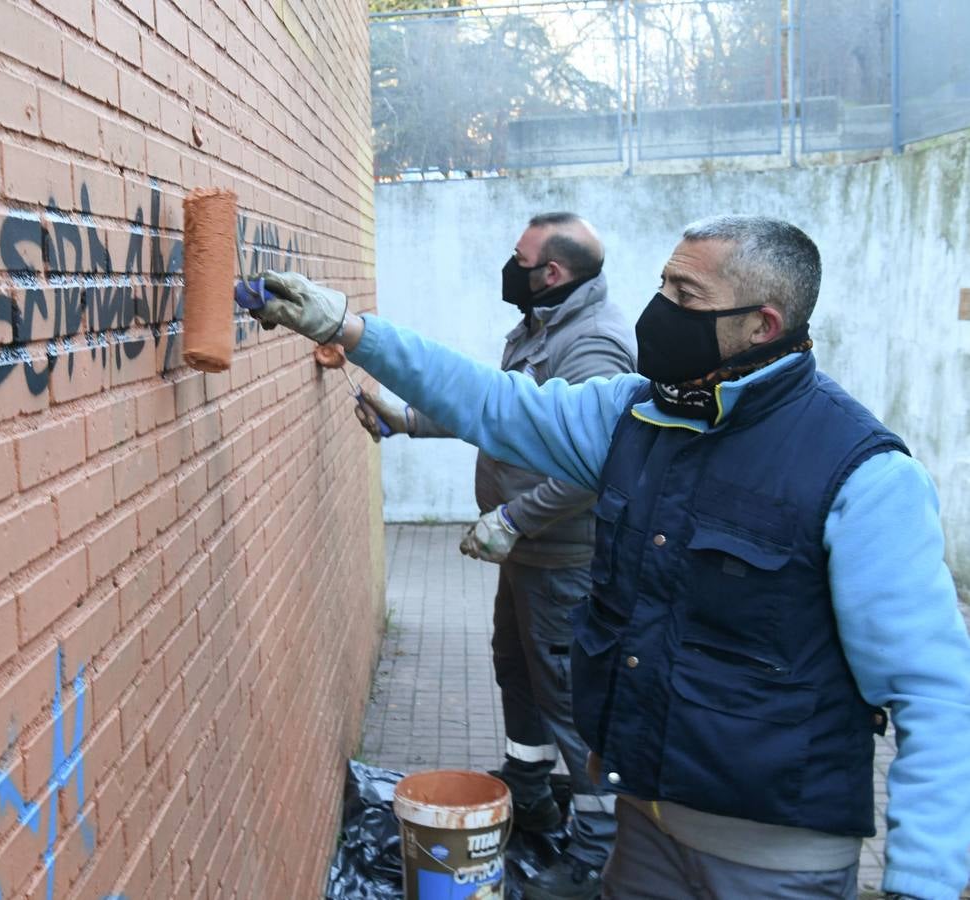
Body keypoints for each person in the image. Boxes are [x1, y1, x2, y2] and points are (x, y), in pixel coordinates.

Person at [250, 216, 970, 900]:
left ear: (762, 324)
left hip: (776, 864)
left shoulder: (859, 474)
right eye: (662, 284)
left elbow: (933, 693)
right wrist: (346, 328)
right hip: (645, 831)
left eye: (684, 296)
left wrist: (922, 880)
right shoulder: (637, 416)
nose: (657, 309)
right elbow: (493, 404)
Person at [355, 212, 633, 899]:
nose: (509, 266)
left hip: (563, 558)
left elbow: (590, 466)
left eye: (519, 257)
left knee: (568, 697)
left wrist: (513, 517)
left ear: (553, 272)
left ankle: (596, 855)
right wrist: (409, 419)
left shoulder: (592, 346)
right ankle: (530, 790)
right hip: (528, 555)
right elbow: (501, 411)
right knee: (516, 669)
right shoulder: (541, 325)